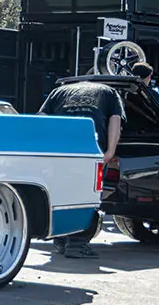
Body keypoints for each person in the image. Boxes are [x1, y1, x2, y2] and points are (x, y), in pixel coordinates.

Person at [38, 79, 125, 258]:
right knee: (88, 197)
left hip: (60, 153)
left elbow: (42, 118)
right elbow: (115, 121)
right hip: (90, 151)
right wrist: (109, 152)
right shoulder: (109, 92)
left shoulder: (59, 91)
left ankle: (60, 239)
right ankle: (77, 243)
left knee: (60, 195)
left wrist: (46, 151)